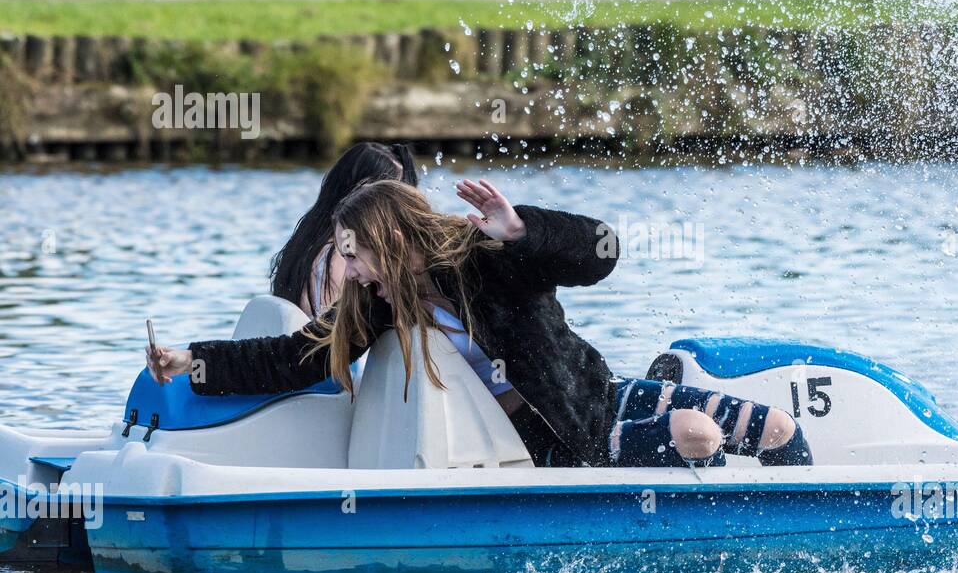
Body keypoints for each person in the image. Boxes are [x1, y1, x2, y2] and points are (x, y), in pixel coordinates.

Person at [147, 179, 812, 469]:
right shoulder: (381, 304)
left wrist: (523, 230)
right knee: (696, 433)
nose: (348, 273)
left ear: (394, 238)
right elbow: (294, 357)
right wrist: (191, 361)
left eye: (356, 255)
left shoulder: (489, 258)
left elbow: (600, 252)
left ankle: (804, 535)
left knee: (779, 427)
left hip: (601, 397)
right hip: (560, 448)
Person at [269, 141, 418, 318]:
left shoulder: (307, 240)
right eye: (391, 195)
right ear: (364, 195)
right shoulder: (342, 254)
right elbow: (334, 333)